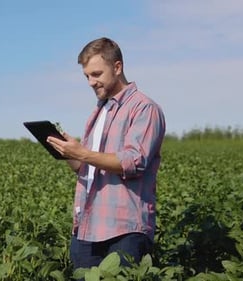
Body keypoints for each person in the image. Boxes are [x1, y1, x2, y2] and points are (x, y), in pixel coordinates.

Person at [46, 37, 166, 270]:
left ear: (117, 67)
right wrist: (68, 152)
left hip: (125, 228)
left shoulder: (144, 108)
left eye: (97, 74)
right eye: (87, 76)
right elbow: (86, 169)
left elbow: (134, 161)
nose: (91, 82)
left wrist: (83, 153)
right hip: (87, 226)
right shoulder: (99, 111)